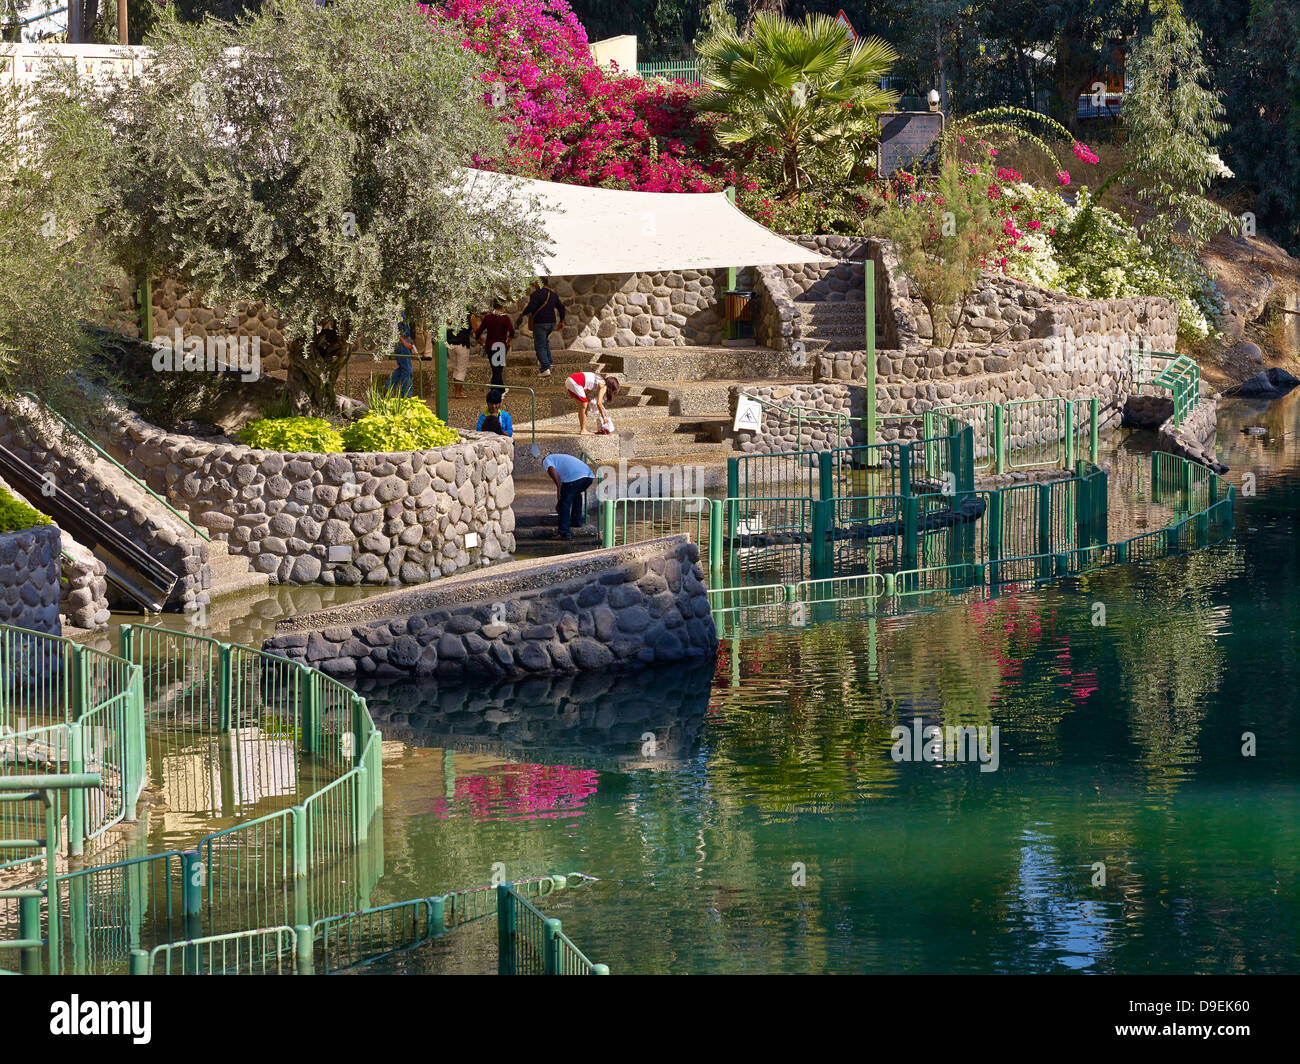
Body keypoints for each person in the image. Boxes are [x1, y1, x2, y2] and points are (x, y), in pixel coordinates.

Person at [514, 278, 566, 377]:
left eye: (536, 283)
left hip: (541, 323)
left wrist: (522, 314)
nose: (535, 285)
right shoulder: (553, 294)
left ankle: (545, 368)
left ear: (539, 284)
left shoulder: (536, 294)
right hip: (551, 323)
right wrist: (562, 321)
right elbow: (561, 308)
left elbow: (531, 306)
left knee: (539, 346)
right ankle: (549, 362)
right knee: (545, 342)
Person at [543, 452, 594, 539]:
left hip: (574, 477)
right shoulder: (560, 458)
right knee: (576, 494)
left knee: (564, 504)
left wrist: (559, 494)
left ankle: (564, 533)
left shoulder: (546, 460)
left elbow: (555, 476)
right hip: (589, 477)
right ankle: (576, 521)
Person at [475, 298, 515, 388]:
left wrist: (480, 341)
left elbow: (478, 332)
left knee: (495, 369)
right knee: (498, 370)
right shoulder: (505, 318)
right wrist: (508, 341)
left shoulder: (487, 317)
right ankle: (499, 389)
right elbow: (512, 332)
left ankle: (495, 389)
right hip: (500, 345)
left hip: (490, 346)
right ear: (502, 306)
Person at [447, 310, 479, 399]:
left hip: (450, 344)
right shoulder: (470, 316)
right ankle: (458, 392)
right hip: (462, 344)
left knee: (456, 368)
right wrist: (481, 342)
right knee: (461, 369)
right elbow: (477, 332)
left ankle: (457, 391)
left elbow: (446, 327)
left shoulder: (451, 314)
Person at [384, 318, 418, 397]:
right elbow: (394, 331)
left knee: (403, 369)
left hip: (404, 342)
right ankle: (406, 395)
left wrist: (409, 341)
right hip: (402, 344)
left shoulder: (404, 313)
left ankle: (387, 387)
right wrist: (404, 342)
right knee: (407, 370)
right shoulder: (399, 312)